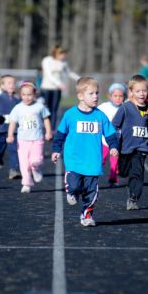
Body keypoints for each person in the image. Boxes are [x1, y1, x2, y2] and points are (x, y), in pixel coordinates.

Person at [51, 76, 119, 227]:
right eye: (91, 93)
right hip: (74, 160)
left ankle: (87, 215)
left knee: (91, 192)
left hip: (93, 162)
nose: (95, 96)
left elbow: (110, 134)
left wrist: (113, 146)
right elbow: (60, 135)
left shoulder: (100, 115)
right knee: (75, 186)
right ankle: (71, 191)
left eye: (97, 93)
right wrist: (56, 150)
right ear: (80, 96)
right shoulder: (70, 115)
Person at [112, 74, 148, 211]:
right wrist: (115, 144)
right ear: (131, 92)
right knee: (123, 172)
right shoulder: (125, 108)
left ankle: (133, 198)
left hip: (141, 148)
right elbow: (114, 125)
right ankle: (126, 178)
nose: (142, 94)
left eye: (144, 91)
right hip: (125, 148)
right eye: (138, 91)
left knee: (138, 173)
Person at [6, 81, 52, 193]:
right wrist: (10, 135)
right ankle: (26, 183)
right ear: (20, 95)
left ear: (34, 94)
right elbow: (12, 122)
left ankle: (36, 170)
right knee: (24, 163)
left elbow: (46, 119)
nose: (27, 97)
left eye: (29, 95)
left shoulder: (39, 107)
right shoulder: (18, 108)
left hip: (37, 139)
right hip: (22, 140)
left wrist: (48, 132)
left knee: (35, 160)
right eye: (24, 95)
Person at [0, 75, 21, 179]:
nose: (12, 85)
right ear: (2, 85)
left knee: (14, 150)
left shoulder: (17, 100)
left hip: (13, 130)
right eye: (9, 83)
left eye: (13, 83)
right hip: (1, 128)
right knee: (1, 148)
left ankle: (13, 170)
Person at [40, 44, 80, 132]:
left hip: (56, 90)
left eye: (64, 54)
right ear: (56, 54)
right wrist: (59, 83)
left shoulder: (63, 63)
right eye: (62, 54)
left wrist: (79, 78)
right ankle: (44, 127)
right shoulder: (47, 60)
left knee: (54, 109)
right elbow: (48, 74)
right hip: (46, 88)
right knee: (46, 108)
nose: (63, 56)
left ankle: (52, 129)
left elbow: (69, 73)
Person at [98, 82, 126, 186]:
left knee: (115, 163)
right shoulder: (104, 107)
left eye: (120, 96)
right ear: (110, 96)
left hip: (118, 142)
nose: (118, 98)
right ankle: (91, 178)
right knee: (100, 160)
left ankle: (113, 179)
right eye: (115, 96)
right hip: (105, 141)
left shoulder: (125, 108)